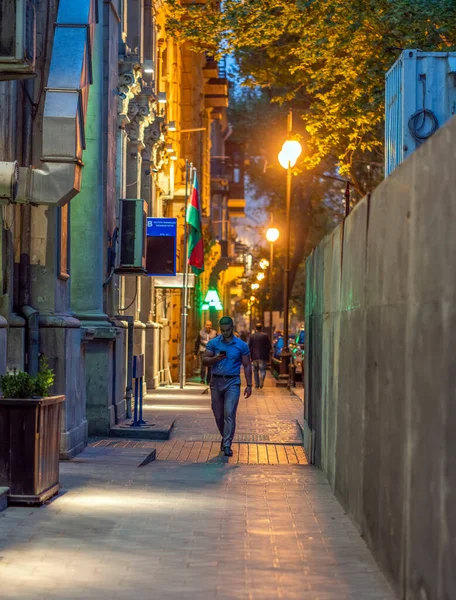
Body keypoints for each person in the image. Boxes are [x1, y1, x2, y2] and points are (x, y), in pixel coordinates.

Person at [203, 316, 252, 456]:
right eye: (223, 330)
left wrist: (249, 385)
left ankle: (227, 444)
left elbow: (247, 365)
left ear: (233, 328)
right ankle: (225, 436)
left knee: (229, 413)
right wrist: (214, 359)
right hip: (216, 382)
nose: (225, 333)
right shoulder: (214, 343)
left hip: (232, 382)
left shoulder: (241, 345)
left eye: (228, 330)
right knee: (218, 415)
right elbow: (204, 360)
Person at [248, 323, 272, 389]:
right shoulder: (265, 335)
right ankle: (261, 379)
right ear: (261, 328)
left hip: (254, 356)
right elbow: (269, 346)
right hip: (262, 356)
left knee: (255, 370)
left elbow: (249, 346)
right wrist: (266, 352)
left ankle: (256, 385)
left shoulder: (251, 336)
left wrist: (250, 355)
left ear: (255, 328)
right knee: (263, 370)